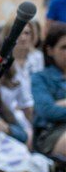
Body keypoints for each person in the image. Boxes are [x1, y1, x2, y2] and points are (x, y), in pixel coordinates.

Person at [32, 22, 66, 156]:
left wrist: (61, 103)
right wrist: (55, 107)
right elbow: (47, 110)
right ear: (50, 50)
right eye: (64, 47)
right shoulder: (40, 78)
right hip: (51, 133)